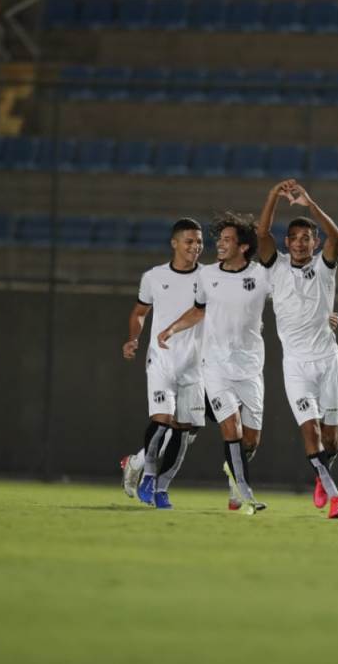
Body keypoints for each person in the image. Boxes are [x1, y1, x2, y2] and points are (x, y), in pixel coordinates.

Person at [157, 211, 271, 515]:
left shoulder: (261, 275)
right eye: (219, 239)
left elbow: (288, 302)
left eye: (227, 240)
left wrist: (321, 316)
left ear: (243, 246)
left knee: (251, 439)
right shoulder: (206, 275)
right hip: (215, 366)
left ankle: (233, 473)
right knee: (230, 427)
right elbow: (198, 311)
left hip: (250, 368)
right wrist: (171, 328)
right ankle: (245, 492)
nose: (219, 244)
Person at [257, 180, 338, 519]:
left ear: (315, 242)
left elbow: (337, 237)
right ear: (286, 243)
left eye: (305, 238)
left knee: (331, 437)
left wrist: (309, 203)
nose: (298, 243)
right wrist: (272, 197)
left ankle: (322, 475)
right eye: (293, 238)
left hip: (328, 362)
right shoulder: (275, 266)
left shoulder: (324, 267)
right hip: (295, 366)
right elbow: (261, 233)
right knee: (310, 432)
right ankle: (335, 495)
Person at [120, 218, 206, 510]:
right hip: (161, 359)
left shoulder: (208, 277)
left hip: (194, 366)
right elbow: (139, 312)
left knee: (183, 433)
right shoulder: (154, 277)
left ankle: (155, 481)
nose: (195, 247)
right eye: (189, 241)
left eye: (199, 242)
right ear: (174, 243)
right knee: (161, 422)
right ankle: (148, 477)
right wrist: (134, 338)